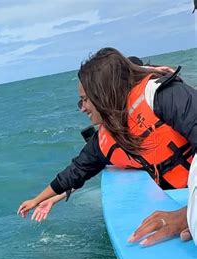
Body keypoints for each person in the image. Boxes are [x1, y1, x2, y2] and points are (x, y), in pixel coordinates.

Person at [18, 48, 196, 243]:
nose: (82, 108)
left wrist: (187, 215)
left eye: (85, 100)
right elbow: (76, 171)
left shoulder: (164, 95)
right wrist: (38, 200)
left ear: (104, 94)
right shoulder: (106, 139)